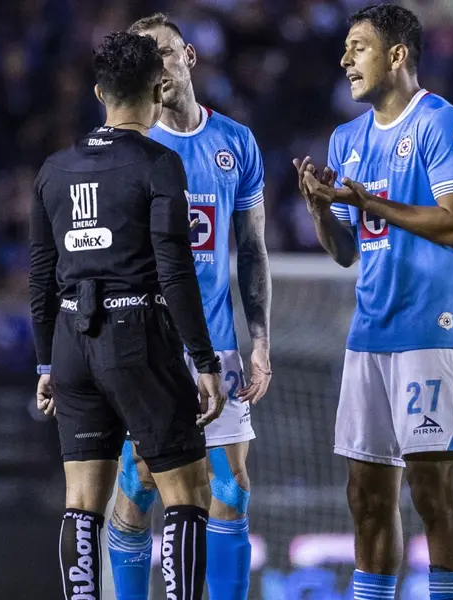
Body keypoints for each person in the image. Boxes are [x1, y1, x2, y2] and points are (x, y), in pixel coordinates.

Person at [28, 31, 224, 600]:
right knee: (188, 493)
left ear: (98, 92)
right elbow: (175, 269)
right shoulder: (159, 164)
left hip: (70, 341)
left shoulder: (52, 169)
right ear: (159, 90)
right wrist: (204, 360)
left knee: (82, 502)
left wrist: (46, 363)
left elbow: (40, 277)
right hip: (135, 335)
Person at [294, 4, 453, 599]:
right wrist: (323, 211)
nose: (345, 59)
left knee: (433, 495)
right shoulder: (346, 138)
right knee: (366, 499)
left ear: (397, 55)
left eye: (358, 47)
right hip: (369, 335)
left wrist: (370, 202)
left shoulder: (442, 124)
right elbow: (347, 252)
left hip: (433, 333)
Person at [107, 14, 272, 600]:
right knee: (140, 483)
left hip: (219, 347)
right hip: (148, 344)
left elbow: (251, 252)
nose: (158, 68)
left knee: (230, 488)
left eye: (164, 53)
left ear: (190, 56)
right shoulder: (134, 147)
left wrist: (261, 345)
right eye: (144, 60)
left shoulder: (235, 143)